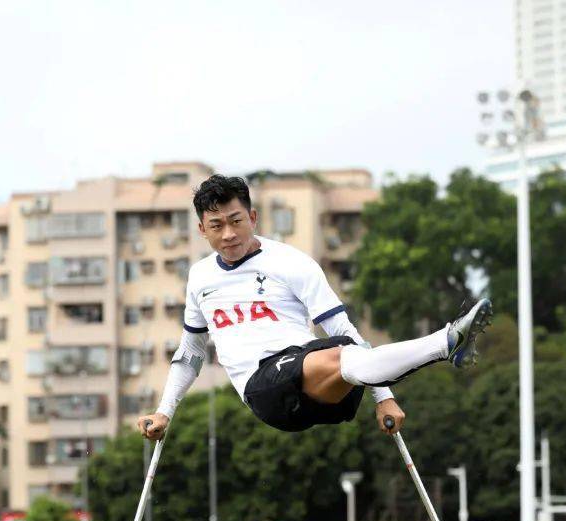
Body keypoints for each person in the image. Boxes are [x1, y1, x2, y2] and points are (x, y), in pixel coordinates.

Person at [137, 174, 492, 440]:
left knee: (345, 350)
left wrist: (384, 399)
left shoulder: (292, 262)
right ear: (202, 229)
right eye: (217, 225)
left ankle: (450, 346)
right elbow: (191, 353)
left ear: (253, 218)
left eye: (236, 221)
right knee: (338, 355)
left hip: (316, 379)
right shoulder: (199, 277)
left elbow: (342, 331)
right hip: (263, 389)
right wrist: (164, 411)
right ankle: (445, 343)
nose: (228, 234)